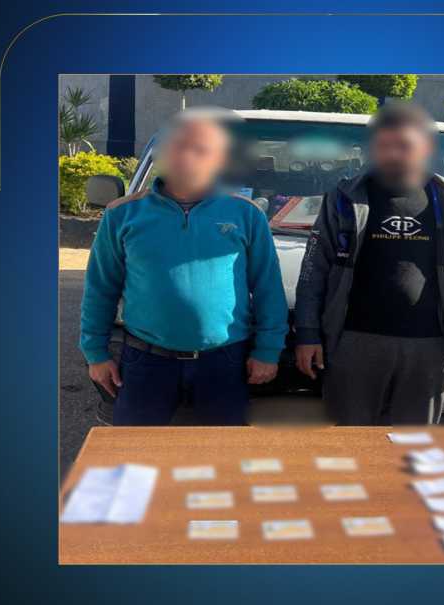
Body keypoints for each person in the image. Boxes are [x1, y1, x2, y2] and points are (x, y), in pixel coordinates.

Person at [80, 110, 288, 425]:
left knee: (220, 452)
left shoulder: (246, 215)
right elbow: (100, 288)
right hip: (145, 361)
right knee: (135, 450)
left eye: (200, 149)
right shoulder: (122, 214)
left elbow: (267, 288)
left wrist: (268, 350)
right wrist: (95, 353)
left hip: (225, 362)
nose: (186, 156)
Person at [294, 102, 444, 425]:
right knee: (349, 441)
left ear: (424, 148)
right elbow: (313, 271)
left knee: (413, 443)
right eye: (384, 145)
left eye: (404, 146)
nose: (393, 154)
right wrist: (308, 334)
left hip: (429, 348)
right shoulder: (344, 199)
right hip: (354, 344)